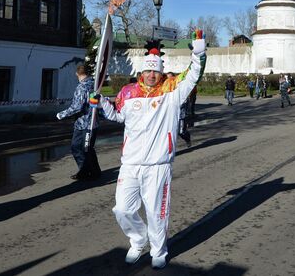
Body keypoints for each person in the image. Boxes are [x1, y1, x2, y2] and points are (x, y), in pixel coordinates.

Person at [99, 34, 206, 270]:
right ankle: (138, 240)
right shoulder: (127, 93)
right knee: (122, 209)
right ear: (141, 73)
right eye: (147, 71)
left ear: (160, 72)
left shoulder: (171, 91)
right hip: (130, 164)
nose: (151, 75)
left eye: (155, 72)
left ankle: (159, 251)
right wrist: (102, 104)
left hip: (158, 165)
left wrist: (198, 55)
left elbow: (193, 75)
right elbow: (117, 115)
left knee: (157, 212)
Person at [56, 63, 100, 180]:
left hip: (86, 123)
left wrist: (61, 114)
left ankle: (92, 172)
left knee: (83, 148)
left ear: (77, 74)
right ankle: (87, 171)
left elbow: (77, 107)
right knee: (82, 147)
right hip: (86, 123)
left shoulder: (82, 87)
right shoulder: (94, 84)